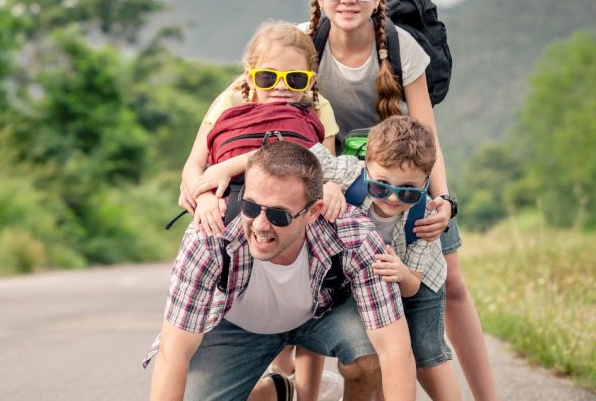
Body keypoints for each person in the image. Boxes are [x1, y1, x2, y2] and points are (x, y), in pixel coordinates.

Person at [302, 0, 498, 400]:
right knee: (314, 284)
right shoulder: (303, 44)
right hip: (342, 180)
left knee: (450, 281)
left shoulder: (399, 44)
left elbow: (427, 134)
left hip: (406, 176)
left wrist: (444, 201)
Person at [145, 141, 415, 400]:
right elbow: (173, 354)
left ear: (313, 212)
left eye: (279, 215)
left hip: (318, 318)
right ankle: (276, 392)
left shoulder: (354, 235)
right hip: (238, 328)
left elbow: (394, 349)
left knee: (369, 359)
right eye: (250, 207)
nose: (260, 225)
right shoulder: (208, 238)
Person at [310, 116, 460, 400]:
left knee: (428, 352)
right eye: (380, 186)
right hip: (367, 279)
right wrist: (326, 185)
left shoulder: (425, 217)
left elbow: (412, 286)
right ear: (365, 167)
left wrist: (402, 273)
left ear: (426, 183)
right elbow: (298, 160)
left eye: (406, 191)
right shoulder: (349, 173)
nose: (392, 198)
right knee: (380, 349)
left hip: (418, 279)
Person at [178, 21, 343, 240]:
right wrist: (205, 198)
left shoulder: (317, 106)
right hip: (233, 199)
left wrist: (332, 186)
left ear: (310, 80)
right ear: (250, 77)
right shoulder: (231, 101)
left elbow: (325, 164)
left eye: (295, 78)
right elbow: (194, 164)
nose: (281, 87)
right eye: (268, 77)